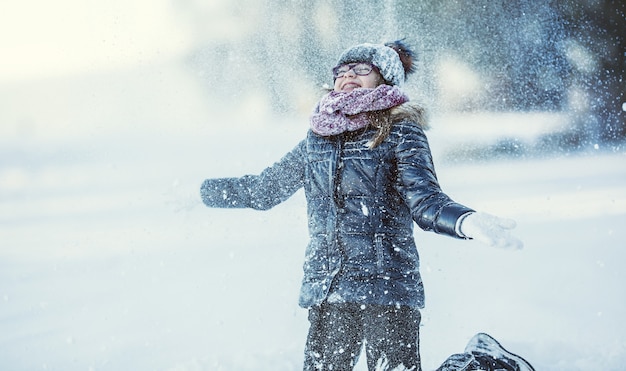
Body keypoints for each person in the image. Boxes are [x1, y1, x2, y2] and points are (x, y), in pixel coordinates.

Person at [200, 40, 529, 371]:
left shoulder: (401, 132)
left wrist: (463, 220)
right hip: (328, 289)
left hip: (386, 287)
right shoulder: (318, 139)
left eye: (361, 70)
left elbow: (425, 199)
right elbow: (264, 189)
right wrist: (201, 193)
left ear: (384, 79)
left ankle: (483, 362)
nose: (348, 76)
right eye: (341, 71)